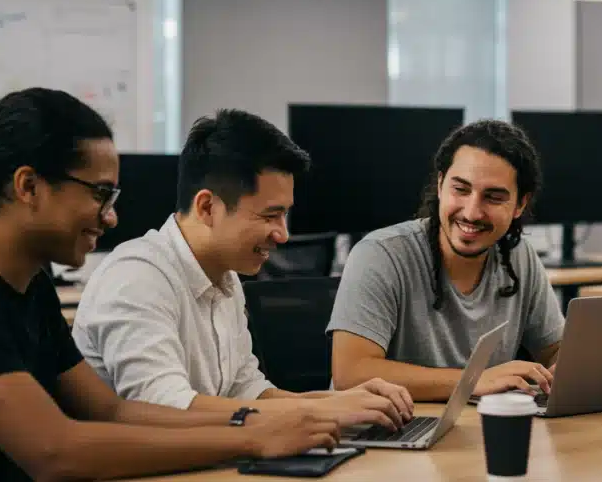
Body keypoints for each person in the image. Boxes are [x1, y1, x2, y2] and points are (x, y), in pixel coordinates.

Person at [0, 89, 343, 482]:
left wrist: (255, 421)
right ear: (28, 186)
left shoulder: (28, 286)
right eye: (100, 194)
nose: (112, 216)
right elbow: (54, 450)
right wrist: (251, 439)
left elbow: (112, 411)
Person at [73, 109, 412, 431]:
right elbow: (165, 408)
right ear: (208, 207)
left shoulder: (225, 277)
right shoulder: (138, 276)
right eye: (269, 215)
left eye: (284, 215)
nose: (283, 234)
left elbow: (249, 392)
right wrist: (321, 411)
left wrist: (346, 401)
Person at [328, 119, 564, 402]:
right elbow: (350, 373)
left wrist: (568, 369)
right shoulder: (381, 254)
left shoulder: (518, 256)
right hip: (385, 432)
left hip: (474, 430)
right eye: (460, 190)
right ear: (440, 185)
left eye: (493, 197)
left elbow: (555, 350)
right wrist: (472, 380)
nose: (472, 212)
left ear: (520, 205)